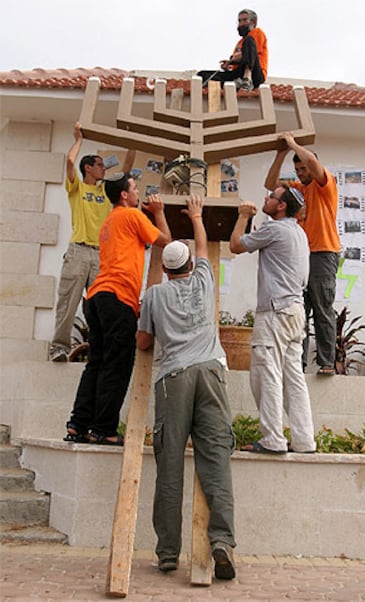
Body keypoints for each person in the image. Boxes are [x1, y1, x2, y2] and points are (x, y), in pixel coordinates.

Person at [137, 195, 236, 579]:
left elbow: (144, 342)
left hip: (173, 379)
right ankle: (222, 542)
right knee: (217, 462)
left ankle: (167, 553)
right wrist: (196, 215)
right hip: (211, 373)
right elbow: (201, 245)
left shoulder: (155, 294)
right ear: (191, 267)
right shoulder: (205, 280)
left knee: (170, 465)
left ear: (164, 267)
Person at [64, 174, 171, 445]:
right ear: (124, 195)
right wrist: (158, 213)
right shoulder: (132, 216)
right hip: (118, 298)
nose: (138, 193)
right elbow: (165, 240)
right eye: (134, 188)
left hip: (98, 296)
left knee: (96, 363)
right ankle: (103, 428)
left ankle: (79, 423)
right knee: (118, 365)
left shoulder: (110, 221)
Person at [229, 186, 316, 454]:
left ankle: (273, 439)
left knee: (267, 373)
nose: (266, 198)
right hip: (294, 311)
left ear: (281, 206)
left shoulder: (274, 229)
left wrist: (243, 216)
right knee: (293, 378)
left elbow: (235, 245)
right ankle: (304, 440)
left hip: (275, 312)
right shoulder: (298, 232)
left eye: (272, 197)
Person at [49, 122, 136, 362]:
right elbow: (69, 163)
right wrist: (78, 139)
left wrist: (131, 142)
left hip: (101, 255)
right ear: (88, 168)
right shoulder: (76, 188)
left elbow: (126, 172)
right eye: (99, 164)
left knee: (102, 305)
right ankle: (59, 347)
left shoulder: (105, 191)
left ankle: (100, 348)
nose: (104, 168)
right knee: (68, 302)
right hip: (78, 251)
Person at [265, 132, 341, 375]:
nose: (300, 173)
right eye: (297, 170)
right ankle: (299, 363)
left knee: (322, 307)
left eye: (304, 169)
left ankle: (327, 363)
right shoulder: (296, 190)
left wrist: (293, 144)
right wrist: (281, 153)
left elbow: (315, 165)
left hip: (323, 253)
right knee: (300, 309)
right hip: (300, 255)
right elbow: (270, 184)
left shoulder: (325, 185)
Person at [197, 9, 268, 91]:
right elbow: (238, 61)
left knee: (249, 40)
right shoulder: (239, 43)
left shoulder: (257, 33)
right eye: (239, 21)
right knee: (202, 75)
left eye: (244, 20)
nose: (241, 24)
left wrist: (231, 61)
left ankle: (247, 79)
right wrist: (229, 66)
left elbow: (248, 55)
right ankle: (233, 85)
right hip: (238, 74)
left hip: (255, 74)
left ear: (253, 22)